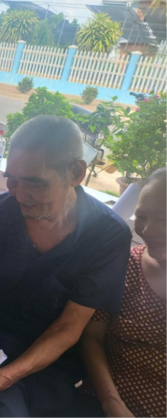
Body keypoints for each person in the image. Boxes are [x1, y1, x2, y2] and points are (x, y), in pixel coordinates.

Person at [0, 116, 132, 417]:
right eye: (12, 180)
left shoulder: (107, 234)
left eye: (35, 182)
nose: (20, 196)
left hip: (48, 360)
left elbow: (68, 327)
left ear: (75, 172)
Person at [80, 167, 167, 418]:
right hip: (106, 405)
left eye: (163, 219)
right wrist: (112, 404)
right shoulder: (123, 266)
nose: (148, 230)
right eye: (141, 216)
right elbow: (92, 336)